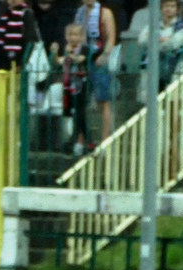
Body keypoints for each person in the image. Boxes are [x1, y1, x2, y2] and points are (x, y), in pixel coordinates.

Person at [74, 0, 117, 141]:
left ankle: (105, 139)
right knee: (80, 103)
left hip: (98, 59)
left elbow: (111, 38)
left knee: (103, 101)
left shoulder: (105, 12)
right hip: (82, 58)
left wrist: (105, 55)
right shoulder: (80, 13)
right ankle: (81, 139)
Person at [51, 22, 89, 155]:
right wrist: (55, 53)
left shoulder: (84, 48)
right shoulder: (66, 49)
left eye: (76, 35)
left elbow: (79, 60)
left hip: (81, 84)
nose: (73, 37)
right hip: (69, 85)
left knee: (80, 113)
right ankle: (87, 140)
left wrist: (70, 53)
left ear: (81, 37)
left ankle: (74, 141)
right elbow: (60, 61)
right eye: (70, 34)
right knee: (75, 114)